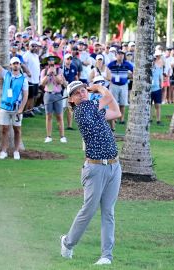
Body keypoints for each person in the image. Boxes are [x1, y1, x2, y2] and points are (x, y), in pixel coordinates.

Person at [60, 81, 122, 265]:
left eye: (82, 90)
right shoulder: (82, 110)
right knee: (89, 210)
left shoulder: (93, 110)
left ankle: (106, 257)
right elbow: (108, 97)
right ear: (71, 100)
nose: (82, 94)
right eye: (77, 93)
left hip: (113, 166)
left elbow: (116, 112)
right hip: (95, 169)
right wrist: (96, 87)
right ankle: (68, 242)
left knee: (108, 212)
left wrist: (94, 90)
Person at [0, 51, 28, 160]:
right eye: (14, 63)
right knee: (4, 129)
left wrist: (21, 109)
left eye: (17, 63)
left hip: (17, 108)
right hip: (5, 107)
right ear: (10, 65)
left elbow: (25, 96)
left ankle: (16, 151)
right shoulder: (6, 74)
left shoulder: (23, 79)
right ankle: (3, 151)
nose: (15, 65)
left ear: (19, 65)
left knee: (17, 130)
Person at [40, 56, 67, 143]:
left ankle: (62, 136)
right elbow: (42, 83)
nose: (51, 62)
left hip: (58, 95)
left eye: (53, 60)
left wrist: (54, 74)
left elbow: (60, 82)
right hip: (48, 94)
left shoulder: (59, 70)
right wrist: (48, 74)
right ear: (47, 62)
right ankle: (48, 136)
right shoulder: (44, 71)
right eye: (50, 60)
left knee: (59, 116)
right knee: (48, 116)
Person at [107, 49, 133, 128]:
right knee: (114, 103)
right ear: (116, 55)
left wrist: (130, 77)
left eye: (122, 54)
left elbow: (134, 70)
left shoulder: (126, 64)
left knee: (122, 103)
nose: (120, 55)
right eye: (119, 54)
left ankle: (121, 119)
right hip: (114, 85)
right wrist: (109, 79)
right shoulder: (112, 64)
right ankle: (114, 118)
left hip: (123, 85)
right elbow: (107, 70)